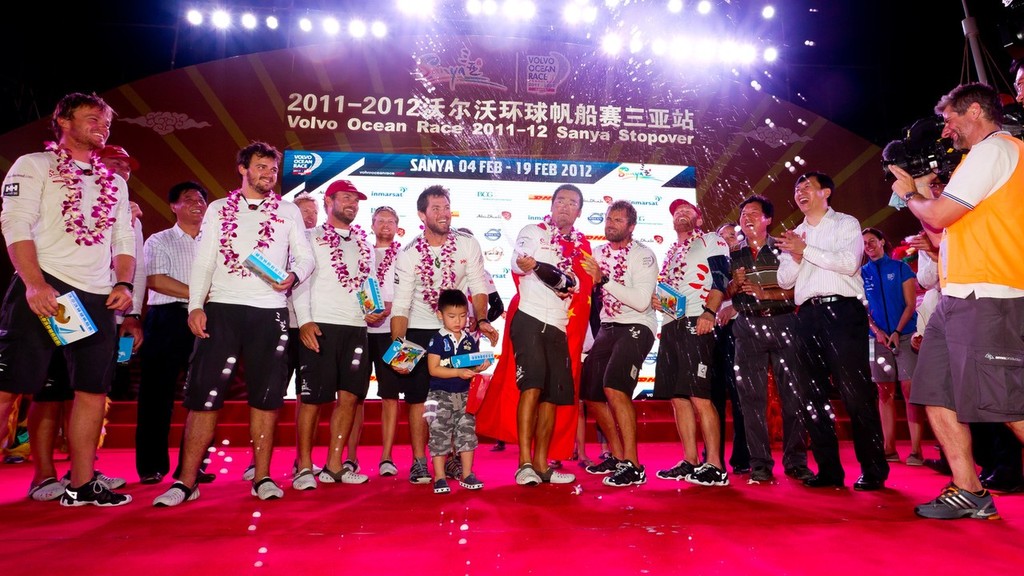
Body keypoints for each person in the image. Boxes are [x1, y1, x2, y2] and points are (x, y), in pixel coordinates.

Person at [889, 80, 1024, 519]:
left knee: (1005, 403)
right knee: (934, 394)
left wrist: (911, 192)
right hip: (958, 294)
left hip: (991, 292)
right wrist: (924, 191)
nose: (946, 131)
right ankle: (969, 491)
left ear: (975, 113)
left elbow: (941, 214)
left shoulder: (996, 149)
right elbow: (939, 229)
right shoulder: (976, 159)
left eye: (950, 121)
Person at [153, 141, 314, 506]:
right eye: (260, 167)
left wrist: (293, 274)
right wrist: (196, 305)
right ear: (242, 169)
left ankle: (263, 477)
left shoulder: (288, 211)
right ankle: (186, 481)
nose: (267, 175)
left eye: (272, 170)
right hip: (221, 309)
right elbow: (204, 261)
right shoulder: (217, 209)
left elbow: (306, 258)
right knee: (202, 399)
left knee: (267, 399)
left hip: (270, 311)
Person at [0, 92, 135, 506]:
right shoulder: (33, 165)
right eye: (92, 117)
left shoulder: (115, 182)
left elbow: (123, 238)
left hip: (96, 297)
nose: (102, 125)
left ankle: (81, 483)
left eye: (106, 121)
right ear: (63, 120)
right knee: (8, 388)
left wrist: (124, 284)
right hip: (46, 288)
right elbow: (15, 223)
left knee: (92, 391)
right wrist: (35, 284)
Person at [776, 172, 888, 491]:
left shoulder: (845, 223)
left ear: (825, 192)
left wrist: (806, 250)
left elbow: (848, 263)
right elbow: (785, 280)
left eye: (807, 187)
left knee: (855, 392)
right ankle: (829, 470)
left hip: (842, 312)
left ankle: (873, 468)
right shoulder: (794, 234)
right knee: (812, 396)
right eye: (797, 189)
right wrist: (797, 254)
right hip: (806, 315)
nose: (801, 192)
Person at [477, 184, 593, 486]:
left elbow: (576, 286)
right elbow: (518, 260)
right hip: (529, 319)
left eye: (573, 203)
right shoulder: (534, 230)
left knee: (552, 396)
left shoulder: (582, 247)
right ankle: (524, 463)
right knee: (531, 388)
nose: (565, 207)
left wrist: (565, 279)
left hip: (558, 325)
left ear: (579, 211)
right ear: (552, 205)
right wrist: (527, 263)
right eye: (561, 201)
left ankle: (543, 465)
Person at [390, 185, 498, 484]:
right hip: (419, 328)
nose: (443, 214)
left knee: (457, 397)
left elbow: (478, 287)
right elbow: (400, 305)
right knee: (418, 400)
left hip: (457, 329)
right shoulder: (409, 253)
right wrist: (397, 351)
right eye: (435, 208)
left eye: (446, 207)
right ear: (422, 214)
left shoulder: (467, 244)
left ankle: (451, 460)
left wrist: (482, 319)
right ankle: (419, 461)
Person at [290, 180, 382, 490]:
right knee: (313, 400)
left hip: (356, 328)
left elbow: (367, 284)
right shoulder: (309, 238)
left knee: (349, 397)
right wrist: (304, 321)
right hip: (320, 326)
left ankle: (334, 463)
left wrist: (372, 309)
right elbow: (299, 283)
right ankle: (304, 465)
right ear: (328, 201)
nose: (352, 204)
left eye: (356, 199)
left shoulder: (364, 243)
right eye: (345, 198)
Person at [727, 195, 812, 484]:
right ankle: (759, 464)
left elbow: (800, 288)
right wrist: (733, 285)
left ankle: (796, 461)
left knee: (794, 395)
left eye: (753, 213)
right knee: (751, 398)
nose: (746, 218)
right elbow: (726, 293)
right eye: (743, 214)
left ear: (768, 220)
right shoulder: (733, 253)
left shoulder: (784, 248)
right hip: (747, 327)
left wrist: (768, 294)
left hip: (785, 322)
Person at [651, 199, 730, 487]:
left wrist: (710, 312)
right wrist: (660, 301)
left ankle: (715, 465)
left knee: (699, 395)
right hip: (673, 326)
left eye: (687, 211)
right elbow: (676, 299)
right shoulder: (672, 253)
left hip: (700, 319)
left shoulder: (710, 240)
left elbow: (721, 278)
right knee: (678, 397)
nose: (681, 214)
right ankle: (690, 460)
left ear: (698, 220)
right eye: (676, 213)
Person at [580, 200, 658, 487]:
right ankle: (617, 454)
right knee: (590, 393)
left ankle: (634, 465)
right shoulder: (596, 253)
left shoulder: (644, 255)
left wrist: (604, 279)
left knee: (614, 385)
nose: (610, 224)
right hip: (608, 326)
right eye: (608, 219)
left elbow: (639, 302)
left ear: (631, 227)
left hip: (638, 325)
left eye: (618, 220)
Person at [135, 181, 209, 484]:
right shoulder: (159, 240)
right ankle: (151, 467)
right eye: (188, 199)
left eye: (202, 199)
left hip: (206, 320)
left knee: (203, 397)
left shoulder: (215, 241)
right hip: (167, 320)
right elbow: (155, 280)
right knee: (157, 394)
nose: (197, 203)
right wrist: (199, 294)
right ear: (173, 206)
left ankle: (192, 466)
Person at [861, 227, 924, 465]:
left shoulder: (900, 268)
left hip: (905, 336)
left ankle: (916, 450)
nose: (868, 246)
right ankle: (889, 447)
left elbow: (910, 304)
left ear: (882, 242)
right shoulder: (860, 274)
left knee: (909, 391)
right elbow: (862, 309)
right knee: (883, 392)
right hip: (874, 340)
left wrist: (897, 331)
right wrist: (877, 332)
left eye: (872, 241)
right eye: (864, 243)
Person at [425, 289, 491, 493]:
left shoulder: (469, 339)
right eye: (452, 316)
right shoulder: (437, 339)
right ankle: (439, 477)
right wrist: (457, 372)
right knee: (439, 434)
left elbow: (471, 364)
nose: (458, 321)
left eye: (463, 316)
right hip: (439, 395)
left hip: (464, 395)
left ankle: (467, 474)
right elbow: (433, 369)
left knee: (466, 433)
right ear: (440, 315)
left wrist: (480, 366)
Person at [96, 144, 145, 400]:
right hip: (85, 308)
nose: (123, 172)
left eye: (126, 168)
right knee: (68, 382)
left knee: (120, 377)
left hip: (123, 315)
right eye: (116, 164)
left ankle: (108, 438)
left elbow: (138, 268)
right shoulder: (73, 202)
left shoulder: (131, 212)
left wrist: (133, 313)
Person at [710, 222, 750, 475]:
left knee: (739, 396)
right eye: (722, 236)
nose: (727, 239)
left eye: (731, 235)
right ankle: (712, 456)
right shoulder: (711, 261)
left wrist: (736, 306)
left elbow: (754, 289)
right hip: (711, 332)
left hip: (739, 332)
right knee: (712, 396)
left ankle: (743, 456)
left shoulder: (744, 258)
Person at [366, 206, 402, 477]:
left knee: (390, 395)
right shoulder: (360, 250)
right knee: (352, 396)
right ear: (372, 224)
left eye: (391, 221)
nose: (386, 225)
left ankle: (387, 457)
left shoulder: (405, 256)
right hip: (359, 329)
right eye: (381, 220)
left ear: (398, 226)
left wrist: (392, 306)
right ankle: (350, 458)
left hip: (393, 333)